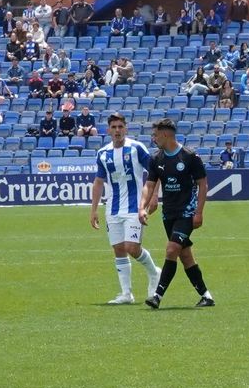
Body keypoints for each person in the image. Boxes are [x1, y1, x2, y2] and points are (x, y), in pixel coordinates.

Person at [88, 114, 162, 305]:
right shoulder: (103, 153)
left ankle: (154, 273)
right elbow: (98, 182)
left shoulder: (136, 148)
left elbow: (155, 172)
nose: (117, 130)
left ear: (126, 128)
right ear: (108, 130)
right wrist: (93, 209)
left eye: (121, 126)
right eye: (114, 127)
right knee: (119, 249)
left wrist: (154, 196)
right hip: (112, 208)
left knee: (132, 247)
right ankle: (126, 293)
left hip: (135, 207)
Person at [140, 118, 214, 309]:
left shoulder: (190, 157)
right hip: (168, 214)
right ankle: (206, 296)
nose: (153, 138)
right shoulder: (156, 159)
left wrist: (199, 212)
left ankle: (157, 295)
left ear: (165, 134)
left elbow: (203, 184)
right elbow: (149, 186)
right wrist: (143, 207)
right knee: (185, 256)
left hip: (187, 213)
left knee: (172, 249)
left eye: (155, 135)